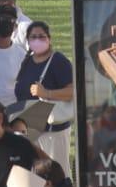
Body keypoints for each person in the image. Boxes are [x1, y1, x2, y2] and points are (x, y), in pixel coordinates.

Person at [13, 21, 75, 166]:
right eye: (33, 37)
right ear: (27, 40)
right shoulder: (27, 61)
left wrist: (47, 93)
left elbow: (73, 91)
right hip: (29, 128)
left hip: (52, 130)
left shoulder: (59, 61)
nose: (37, 40)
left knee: (57, 171)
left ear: (49, 38)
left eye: (42, 36)